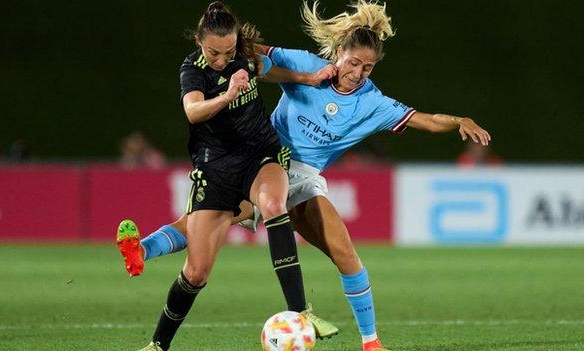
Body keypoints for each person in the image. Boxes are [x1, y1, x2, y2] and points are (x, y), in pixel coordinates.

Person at [121, 1, 491, 350]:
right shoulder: (306, 65)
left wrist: (459, 120)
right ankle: (146, 255)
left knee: (344, 251)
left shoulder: (372, 103)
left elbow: (425, 119)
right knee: (208, 227)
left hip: (304, 177)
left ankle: (371, 341)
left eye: (368, 68)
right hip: (261, 159)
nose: (357, 73)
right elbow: (252, 53)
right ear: (338, 53)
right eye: (353, 62)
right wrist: (227, 58)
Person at [116, 3, 336, 351]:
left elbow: (268, 69)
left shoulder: (243, 56)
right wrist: (228, 94)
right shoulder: (193, 70)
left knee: (273, 204)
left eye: (228, 51)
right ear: (199, 41)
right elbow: (193, 111)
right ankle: (157, 344)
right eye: (213, 52)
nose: (221, 59)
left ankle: (300, 313)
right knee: (197, 271)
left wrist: (306, 78)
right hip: (215, 167)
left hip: (260, 155)